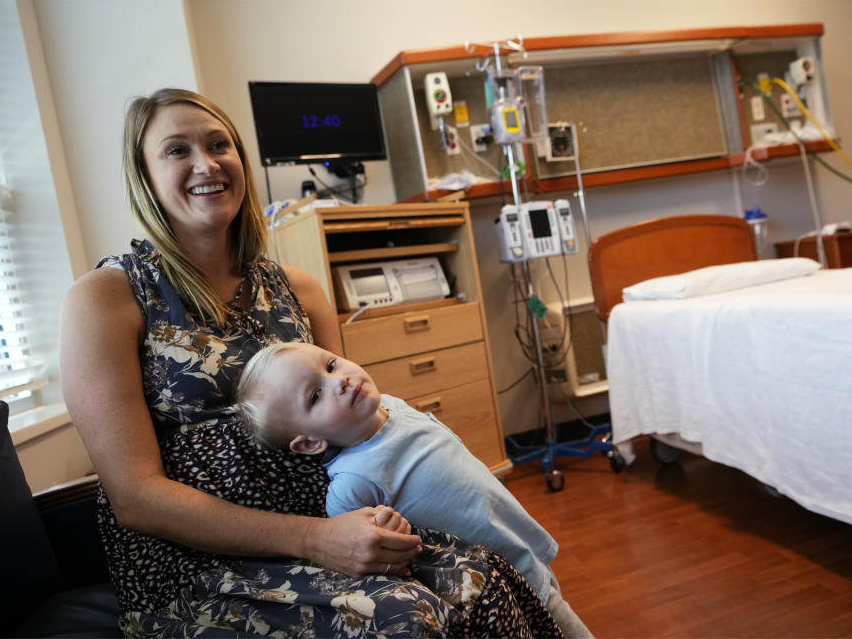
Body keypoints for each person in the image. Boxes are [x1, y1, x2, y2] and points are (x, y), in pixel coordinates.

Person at [60, 87, 562, 637]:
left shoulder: (297, 289)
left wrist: (405, 495)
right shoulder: (108, 298)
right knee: (402, 617)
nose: (206, 163)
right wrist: (314, 539)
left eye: (218, 144)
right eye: (177, 151)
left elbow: (357, 422)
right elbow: (135, 498)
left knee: (484, 576)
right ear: (144, 176)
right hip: (195, 567)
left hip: (339, 521)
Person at [236, 341, 594, 638]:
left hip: (516, 540)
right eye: (315, 395)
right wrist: (387, 542)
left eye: (330, 365)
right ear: (310, 443)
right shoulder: (351, 485)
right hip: (495, 575)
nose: (340, 380)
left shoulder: (391, 403)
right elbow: (364, 556)